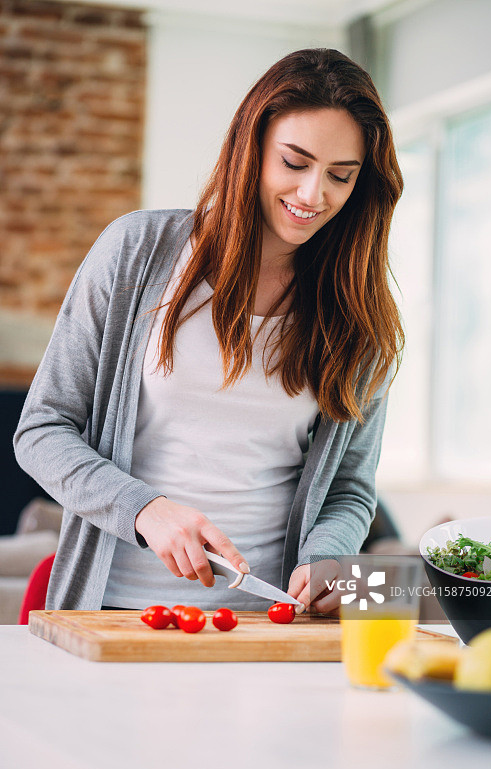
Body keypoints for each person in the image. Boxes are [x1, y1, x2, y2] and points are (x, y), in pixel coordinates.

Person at [14, 48, 404, 616]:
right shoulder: (136, 253)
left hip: (267, 620)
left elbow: (348, 487)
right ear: (251, 149)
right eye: (294, 163)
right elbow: (42, 430)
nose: (312, 195)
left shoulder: (360, 317)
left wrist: (329, 556)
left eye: (340, 176)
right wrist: (145, 509)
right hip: (116, 608)